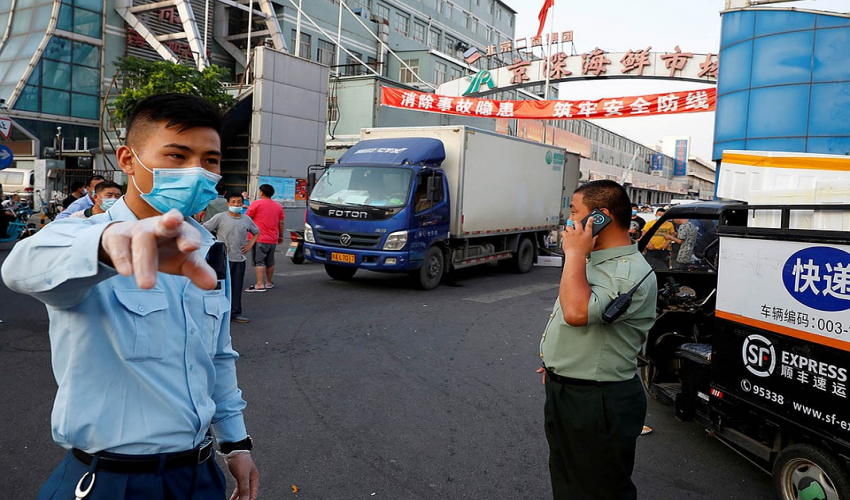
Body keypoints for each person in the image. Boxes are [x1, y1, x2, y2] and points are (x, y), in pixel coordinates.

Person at [1, 93, 259, 500]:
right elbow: (21, 269)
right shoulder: (83, 237)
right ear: (127, 160)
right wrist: (109, 245)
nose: (197, 172)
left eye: (209, 160)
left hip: (200, 474)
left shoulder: (204, 249)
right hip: (111, 481)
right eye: (176, 155)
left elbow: (217, 358)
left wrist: (235, 442)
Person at [536, 179, 657, 500]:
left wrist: (574, 253)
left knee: (598, 489)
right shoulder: (595, 261)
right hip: (571, 390)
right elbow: (571, 320)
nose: (569, 221)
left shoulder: (624, 272)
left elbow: (577, 312)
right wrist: (556, 360)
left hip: (598, 401)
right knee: (569, 479)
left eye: (574, 212)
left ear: (600, 216)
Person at [204, 192, 260, 323]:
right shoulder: (220, 217)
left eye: (239, 202)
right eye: (233, 202)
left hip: (239, 259)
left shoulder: (246, 220)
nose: (236, 205)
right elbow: (204, 229)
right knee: (219, 288)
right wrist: (212, 245)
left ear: (243, 203)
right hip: (222, 261)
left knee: (236, 287)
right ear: (227, 204)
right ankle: (218, 313)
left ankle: (235, 313)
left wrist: (249, 245)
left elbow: (256, 232)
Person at [245, 183, 284, 292]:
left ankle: (259, 284)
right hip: (272, 239)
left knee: (259, 261)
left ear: (261, 192)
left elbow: (247, 218)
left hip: (259, 238)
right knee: (270, 261)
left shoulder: (256, 204)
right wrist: (280, 235)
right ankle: (268, 282)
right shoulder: (278, 206)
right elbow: (281, 222)